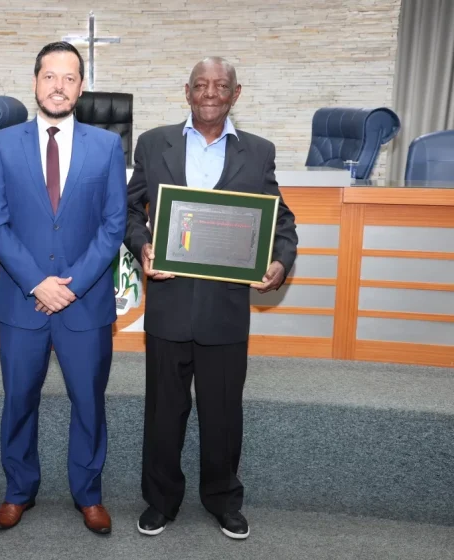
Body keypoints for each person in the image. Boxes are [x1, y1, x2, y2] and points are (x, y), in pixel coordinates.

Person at [124, 57, 298, 540]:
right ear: (187, 92)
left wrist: (280, 262)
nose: (210, 93)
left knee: (223, 415)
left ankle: (222, 499)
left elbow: (281, 222)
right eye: (201, 85)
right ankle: (160, 500)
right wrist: (143, 246)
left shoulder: (259, 152)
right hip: (169, 305)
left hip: (225, 311)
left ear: (235, 95)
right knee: (164, 412)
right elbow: (128, 210)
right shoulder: (153, 143)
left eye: (221, 86)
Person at [0, 41, 127, 535]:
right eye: (50, 76)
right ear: (35, 82)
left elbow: (113, 225)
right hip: (22, 303)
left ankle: (88, 494)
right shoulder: (2, 143)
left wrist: (72, 285)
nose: (59, 86)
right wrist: (36, 283)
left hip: (84, 305)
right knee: (18, 400)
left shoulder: (107, 146)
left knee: (89, 403)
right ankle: (18, 491)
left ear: (81, 87)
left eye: (69, 78)